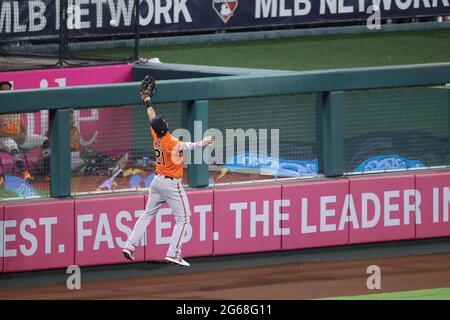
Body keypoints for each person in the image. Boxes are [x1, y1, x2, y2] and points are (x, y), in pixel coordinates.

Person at [122, 94, 214, 267]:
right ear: (166, 127)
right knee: (184, 218)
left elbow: (151, 116)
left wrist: (147, 101)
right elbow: (191, 146)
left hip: (156, 182)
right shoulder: (172, 142)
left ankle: (130, 245)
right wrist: (204, 141)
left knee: (147, 214)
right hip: (171, 185)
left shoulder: (156, 136)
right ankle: (174, 253)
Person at [0, 81, 50, 183]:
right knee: (12, 147)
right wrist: (15, 136)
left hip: (20, 137)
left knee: (45, 140)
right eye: (3, 90)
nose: (6, 93)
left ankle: (48, 172)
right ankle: (25, 174)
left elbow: (22, 125)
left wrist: (23, 134)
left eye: (8, 90)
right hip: (4, 139)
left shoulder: (15, 106)